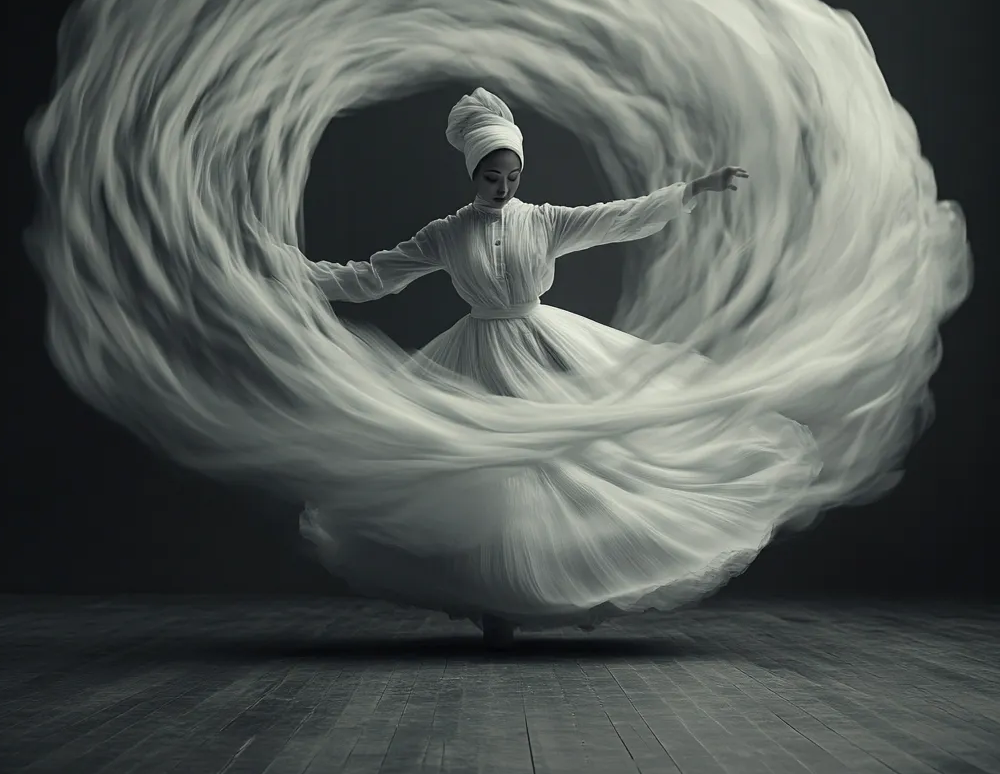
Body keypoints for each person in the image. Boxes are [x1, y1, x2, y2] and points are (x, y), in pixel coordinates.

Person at [301, 87, 812, 649]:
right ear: (473, 172)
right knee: (489, 477)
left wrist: (692, 190)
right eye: (492, 177)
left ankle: (569, 588)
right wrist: (297, 277)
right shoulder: (446, 235)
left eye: (512, 177)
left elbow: (617, 219)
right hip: (477, 356)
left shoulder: (544, 221)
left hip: (543, 347)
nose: (502, 188)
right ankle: (496, 604)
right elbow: (374, 276)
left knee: (565, 469)